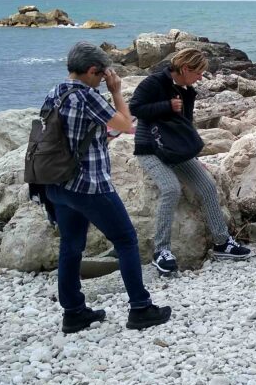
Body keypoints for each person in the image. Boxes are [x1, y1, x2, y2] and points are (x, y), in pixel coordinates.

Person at [42, 42, 171, 333]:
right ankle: (140, 308)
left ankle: (73, 313)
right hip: (89, 184)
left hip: (57, 182)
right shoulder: (87, 96)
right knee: (125, 240)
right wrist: (115, 91)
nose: (104, 79)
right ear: (91, 70)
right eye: (102, 75)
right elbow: (125, 124)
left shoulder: (55, 93)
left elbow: (74, 134)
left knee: (71, 245)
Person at [129, 47, 251, 275]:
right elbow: (134, 108)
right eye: (198, 72)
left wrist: (192, 156)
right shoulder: (154, 83)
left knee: (207, 186)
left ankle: (222, 242)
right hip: (151, 149)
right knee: (171, 189)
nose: (200, 77)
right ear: (185, 68)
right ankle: (161, 250)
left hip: (176, 151)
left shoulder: (187, 91)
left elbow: (185, 125)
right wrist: (167, 106)